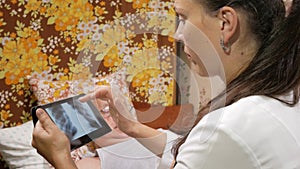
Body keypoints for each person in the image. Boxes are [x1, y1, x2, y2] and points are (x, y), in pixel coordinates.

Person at [32, 0, 300, 168]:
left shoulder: (230, 127)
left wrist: (61, 159)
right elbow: (189, 148)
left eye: (182, 18)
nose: (177, 34)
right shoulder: (286, 95)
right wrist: (131, 126)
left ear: (226, 23)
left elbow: (207, 147)